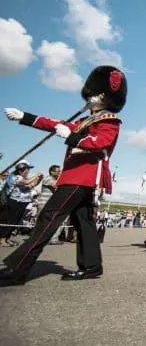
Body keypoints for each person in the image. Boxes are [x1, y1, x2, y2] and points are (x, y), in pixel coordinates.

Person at [1, 65, 127, 285]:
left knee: (48, 218)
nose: (91, 97)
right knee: (83, 222)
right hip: (77, 178)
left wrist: (72, 137)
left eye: (96, 94)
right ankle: (91, 265)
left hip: (82, 177)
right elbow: (55, 124)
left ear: (106, 98)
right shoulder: (84, 121)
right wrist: (27, 117)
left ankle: (18, 269)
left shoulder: (108, 121)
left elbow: (100, 143)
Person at [0, 161, 43, 247]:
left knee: (15, 221)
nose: (28, 172)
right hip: (14, 202)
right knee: (10, 221)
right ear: (20, 170)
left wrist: (40, 178)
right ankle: (2, 239)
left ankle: (7, 238)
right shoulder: (14, 177)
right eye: (27, 170)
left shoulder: (22, 178)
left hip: (22, 202)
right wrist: (36, 175)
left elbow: (31, 185)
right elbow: (26, 182)